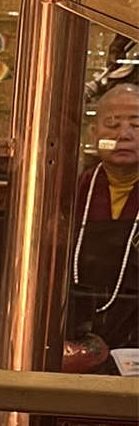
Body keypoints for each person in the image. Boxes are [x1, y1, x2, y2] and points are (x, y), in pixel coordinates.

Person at [71, 75, 138, 352]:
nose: (124, 135)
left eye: (136, 125)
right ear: (93, 134)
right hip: (78, 336)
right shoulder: (75, 190)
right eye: (112, 124)